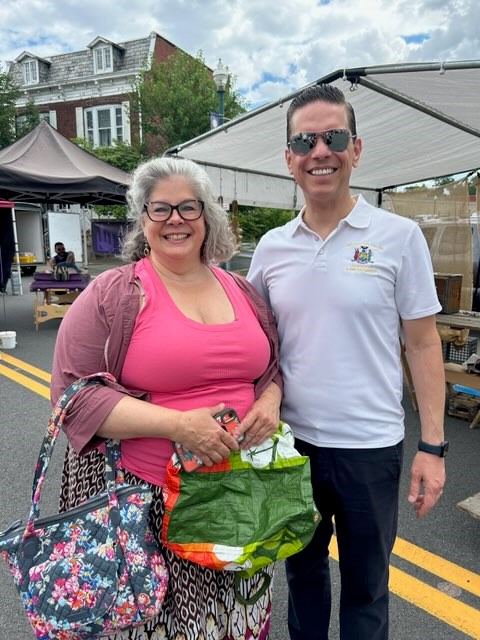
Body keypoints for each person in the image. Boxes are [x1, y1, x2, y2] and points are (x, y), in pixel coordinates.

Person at [50, 156, 282, 640]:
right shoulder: (113, 294)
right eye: (160, 209)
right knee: (170, 626)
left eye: (188, 207)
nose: (175, 219)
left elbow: (270, 367)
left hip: (244, 494)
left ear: (207, 216)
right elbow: (74, 397)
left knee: (239, 621)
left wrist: (270, 399)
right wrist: (179, 426)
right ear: (142, 219)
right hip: (154, 504)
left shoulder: (242, 290)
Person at [247, 84, 447, 640]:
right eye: (304, 141)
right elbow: (252, 341)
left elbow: (424, 344)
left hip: (370, 449)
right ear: (288, 158)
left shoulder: (399, 237)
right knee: (302, 579)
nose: (320, 151)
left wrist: (432, 446)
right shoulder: (272, 247)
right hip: (291, 450)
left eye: (334, 137)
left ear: (355, 149)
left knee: (367, 590)